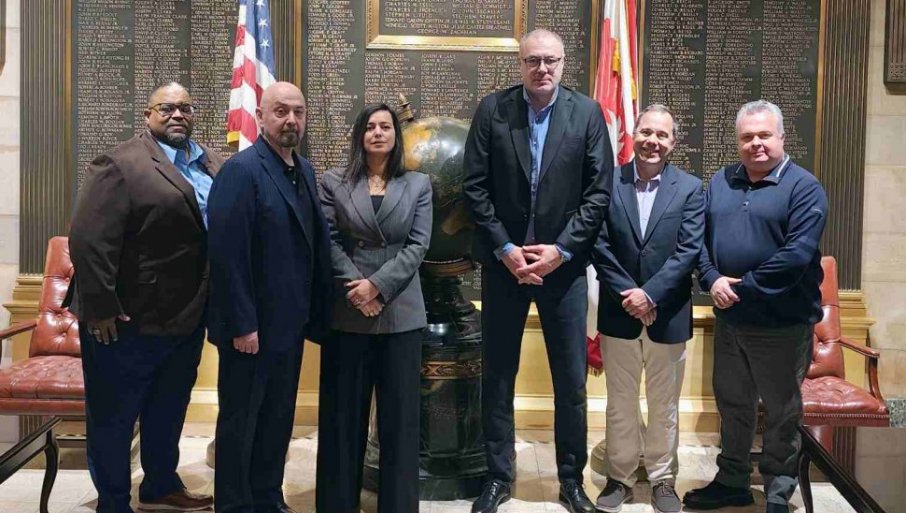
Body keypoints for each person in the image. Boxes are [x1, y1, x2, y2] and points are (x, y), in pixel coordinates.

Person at [462, 28, 613, 513]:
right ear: (520, 64)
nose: (542, 68)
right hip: (504, 267)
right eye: (533, 60)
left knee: (570, 382)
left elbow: (598, 194)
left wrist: (561, 251)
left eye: (550, 60)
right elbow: (474, 187)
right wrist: (506, 249)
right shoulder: (493, 110)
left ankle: (571, 480)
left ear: (563, 63)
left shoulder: (586, 113)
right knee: (497, 376)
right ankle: (498, 476)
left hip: (562, 271)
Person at [66, 82, 220, 513]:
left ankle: (160, 484)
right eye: (166, 108)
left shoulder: (208, 162)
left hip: (186, 316)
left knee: (168, 409)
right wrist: (100, 308)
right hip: (125, 319)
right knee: (114, 416)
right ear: (147, 115)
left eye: (185, 108)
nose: (178, 115)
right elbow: (88, 240)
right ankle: (113, 501)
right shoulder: (120, 163)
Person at [683, 100, 828, 513]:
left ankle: (778, 491)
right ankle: (732, 481)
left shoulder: (804, 188)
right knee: (733, 405)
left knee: (781, 411)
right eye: (747, 137)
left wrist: (741, 287)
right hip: (730, 321)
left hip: (781, 325)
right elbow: (699, 240)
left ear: (782, 137)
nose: (756, 144)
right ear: (737, 141)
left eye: (764, 135)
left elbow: (795, 256)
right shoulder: (721, 181)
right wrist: (712, 279)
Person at [207, 81, 333, 513]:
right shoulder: (241, 171)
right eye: (281, 111)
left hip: (290, 326)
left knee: (278, 418)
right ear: (260, 117)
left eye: (298, 112)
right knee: (241, 422)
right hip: (251, 330)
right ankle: (234, 504)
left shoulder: (305, 170)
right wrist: (243, 324)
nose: (291, 120)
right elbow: (227, 256)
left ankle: (267, 496)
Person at [314, 103, 433, 513]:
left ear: (396, 136)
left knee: (399, 422)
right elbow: (328, 241)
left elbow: (418, 245)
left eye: (386, 126)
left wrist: (377, 288)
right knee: (342, 419)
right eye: (370, 126)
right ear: (359, 135)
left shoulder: (418, 184)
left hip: (400, 312)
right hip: (349, 312)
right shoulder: (333, 182)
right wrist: (358, 289)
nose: (378, 133)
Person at [591, 104, 704, 513]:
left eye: (662, 135)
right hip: (619, 312)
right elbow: (597, 244)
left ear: (673, 143)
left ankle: (662, 480)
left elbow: (688, 251)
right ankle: (619, 478)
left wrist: (650, 296)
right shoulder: (607, 182)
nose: (652, 141)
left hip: (667, 314)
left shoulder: (691, 189)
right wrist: (631, 295)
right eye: (646, 132)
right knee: (620, 402)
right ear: (633, 134)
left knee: (664, 405)